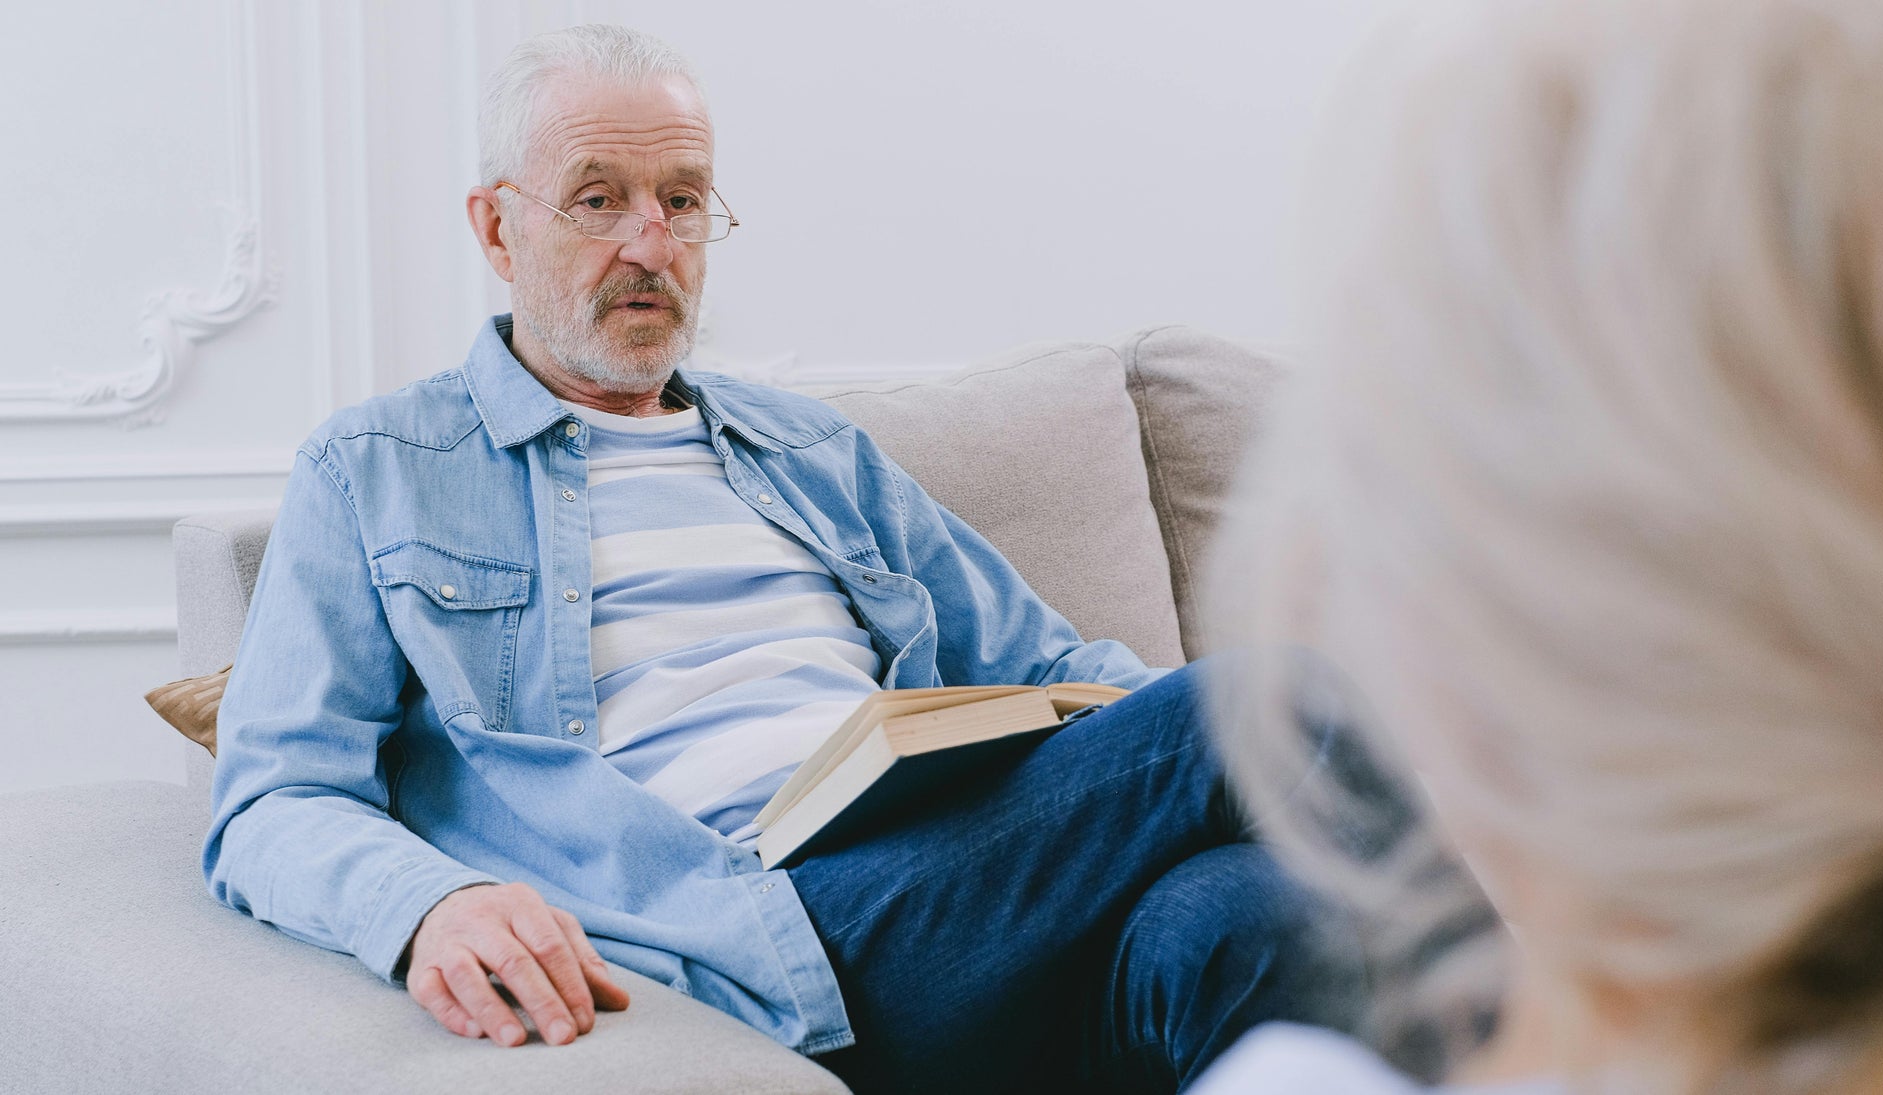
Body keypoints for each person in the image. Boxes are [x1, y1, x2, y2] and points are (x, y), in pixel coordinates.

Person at [203, 23, 1369, 1094]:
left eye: (682, 199)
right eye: (598, 200)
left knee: (1247, 916)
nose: (649, 243)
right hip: (756, 919)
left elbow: (1057, 665)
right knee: (1285, 703)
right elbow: (273, 796)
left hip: (958, 883)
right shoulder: (377, 468)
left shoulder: (810, 451)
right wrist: (429, 903)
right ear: (497, 228)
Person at [1193, 0, 1883, 1090]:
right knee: (1218, 722)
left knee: (1211, 897)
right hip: (862, 860)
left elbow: (1032, 651)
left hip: (1019, 775)